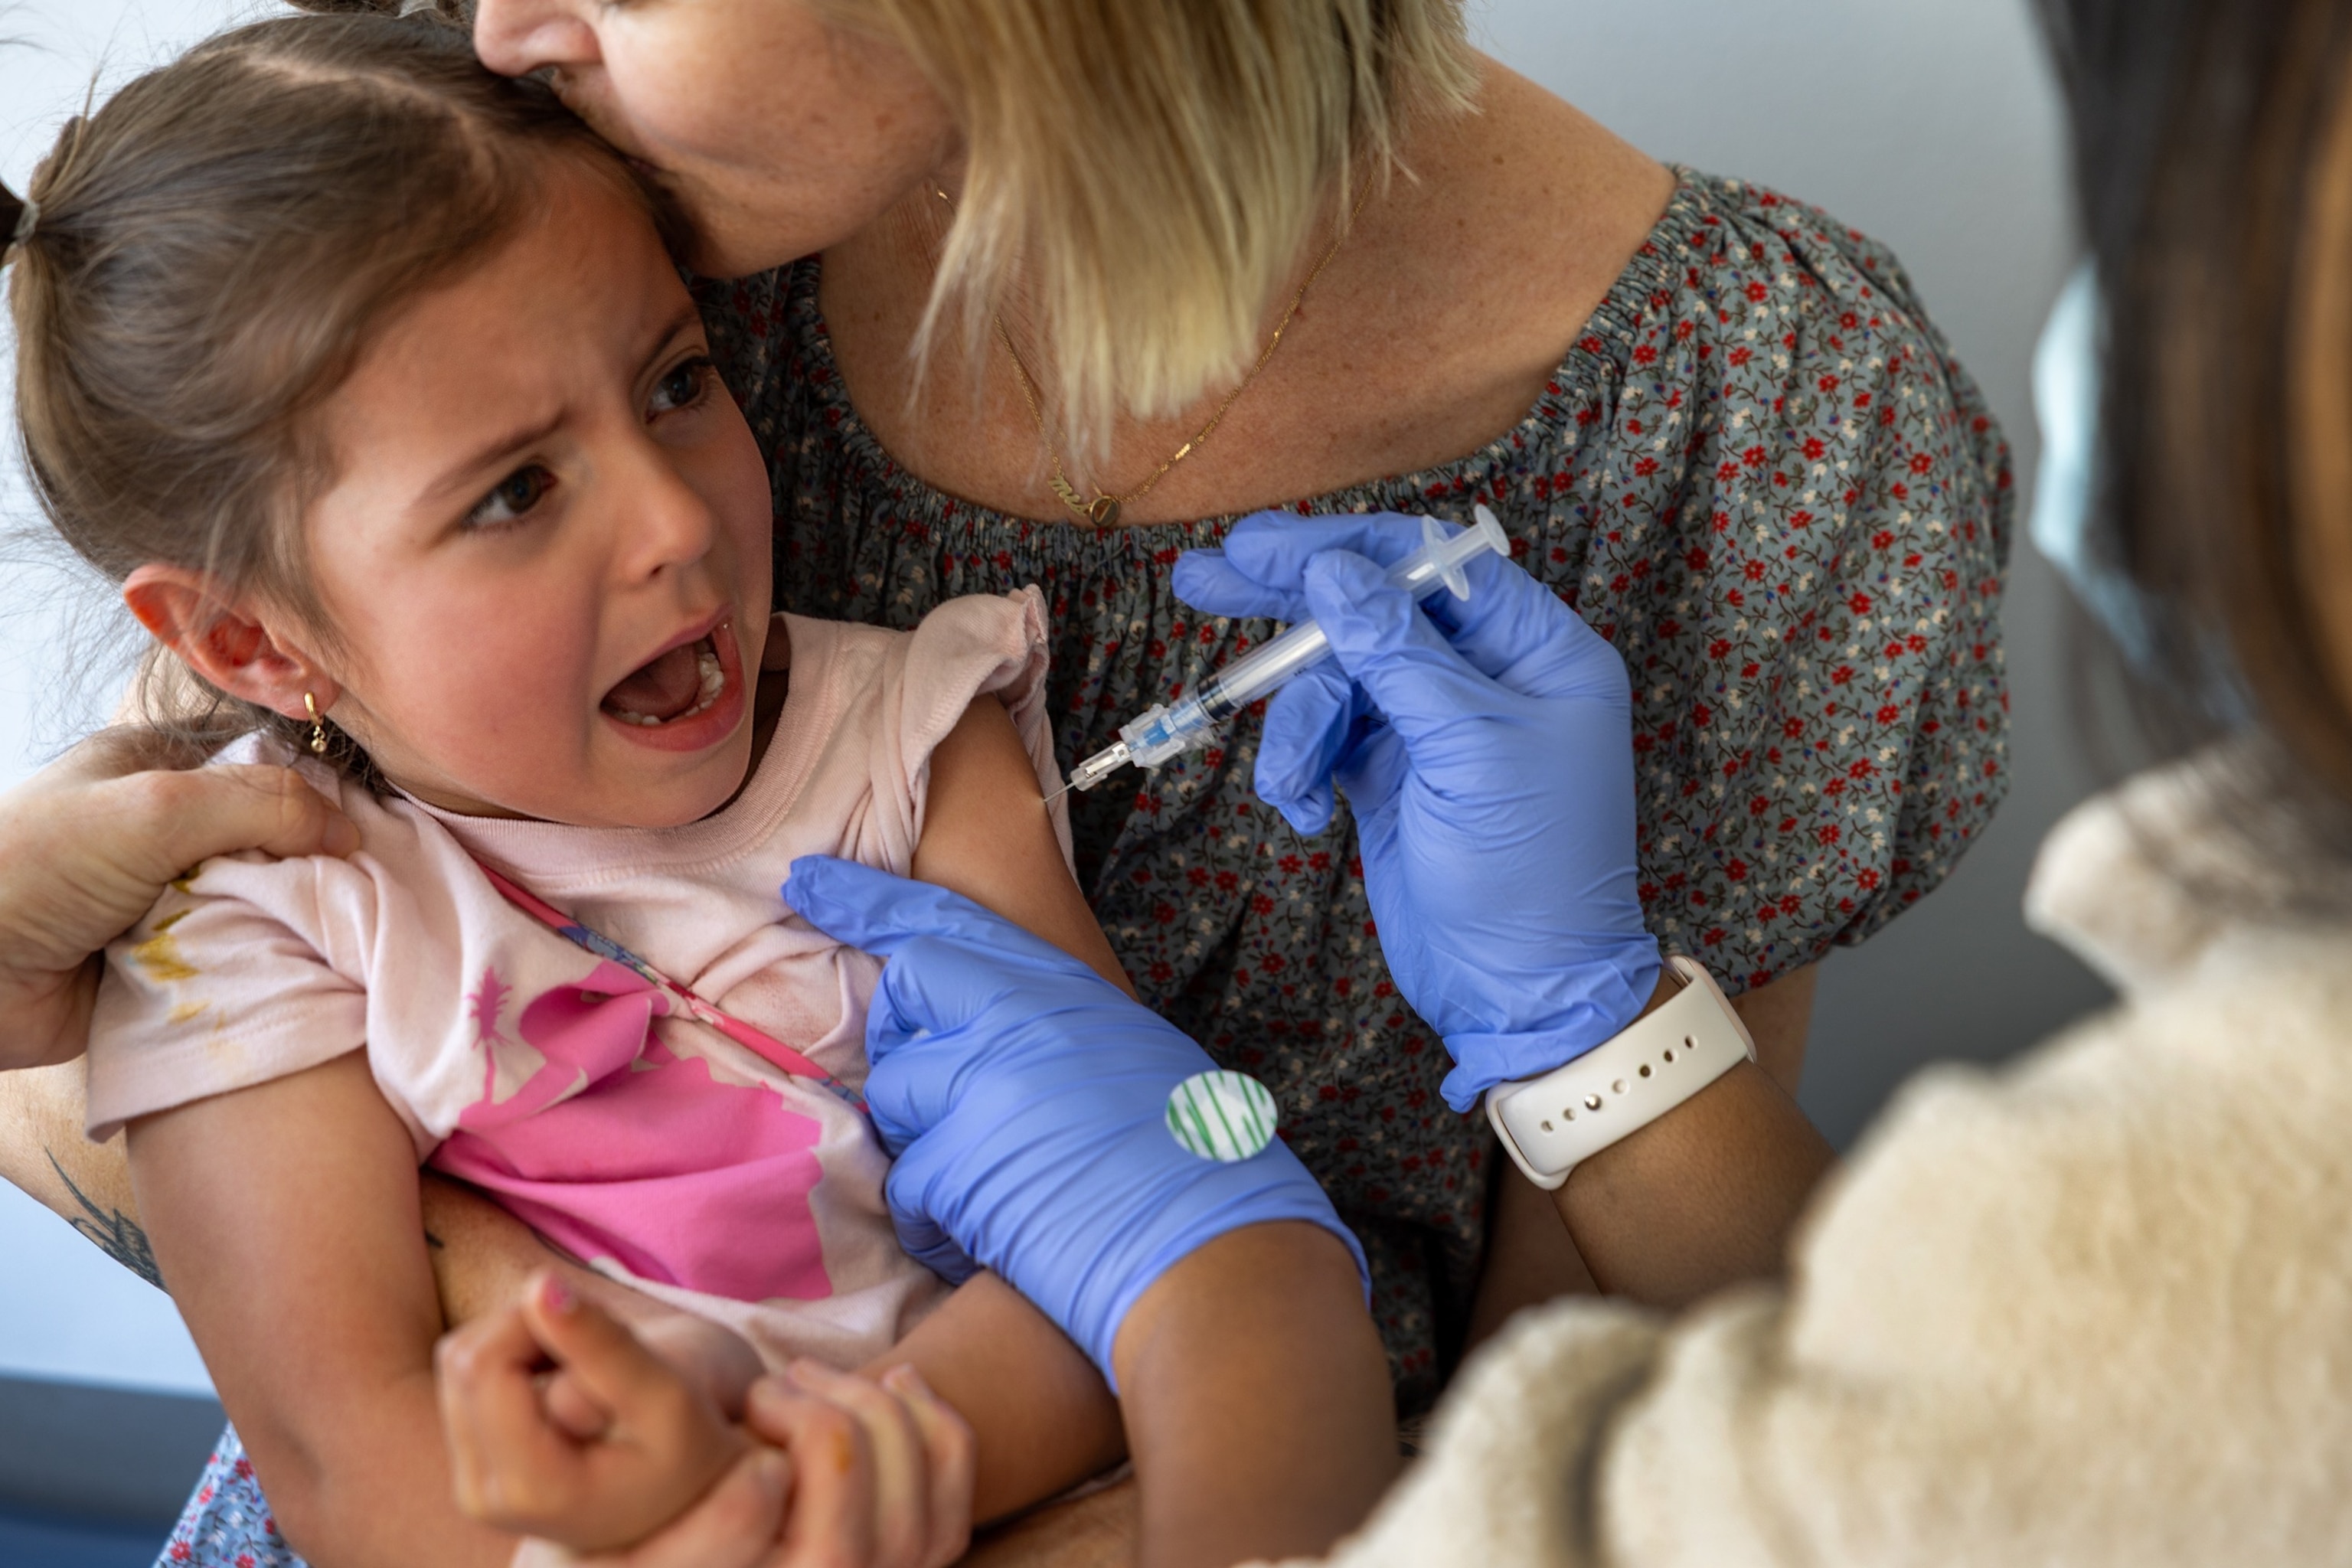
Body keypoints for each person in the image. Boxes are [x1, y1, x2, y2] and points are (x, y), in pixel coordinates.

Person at [464, 0, 2352, 1559]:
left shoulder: (1760, 424)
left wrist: (1580, 1023)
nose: (500, 28)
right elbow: (206, 1060)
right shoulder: (548, 213)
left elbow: (1658, 1388)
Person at [0, 13, 1393, 1566]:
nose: (677, 521)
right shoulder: (254, 923)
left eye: (675, 382)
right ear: (245, 640)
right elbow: (350, 1458)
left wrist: (817, 1486)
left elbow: (1124, 1239)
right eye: (515, 490)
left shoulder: (915, 747)